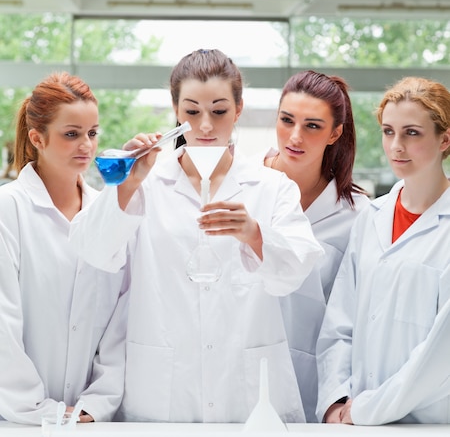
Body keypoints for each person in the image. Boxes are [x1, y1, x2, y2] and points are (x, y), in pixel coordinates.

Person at [70, 48, 324, 423]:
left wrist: (255, 234)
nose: (205, 126)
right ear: (175, 111)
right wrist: (126, 185)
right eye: (191, 112)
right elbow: (92, 250)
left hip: (246, 390)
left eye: (219, 111)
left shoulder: (271, 188)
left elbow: (295, 272)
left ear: (238, 110)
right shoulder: (148, 182)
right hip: (163, 389)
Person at [316, 76, 450, 425]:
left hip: (428, 423)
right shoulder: (370, 218)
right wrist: (335, 401)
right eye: (388, 131)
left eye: (412, 133)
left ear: (445, 140)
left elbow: (440, 354)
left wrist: (367, 410)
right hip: (354, 419)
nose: (396, 146)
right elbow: (339, 323)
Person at [0, 72, 129, 425]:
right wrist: (38, 409)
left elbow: (121, 321)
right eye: (71, 134)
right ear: (37, 137)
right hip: (18, 420)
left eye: (92, 133)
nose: (87, 146)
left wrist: (97, 404)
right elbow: (2, 327)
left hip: (92, 421)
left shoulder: (108, 213)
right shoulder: (8, 210)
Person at [262, 70, 370, 421]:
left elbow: (354, 315)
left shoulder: (357, 214)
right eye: (286, 120)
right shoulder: (243, 187)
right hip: (243, 374)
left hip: (316, 386)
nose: (294, 137)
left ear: (335, 133)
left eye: (312, 126)